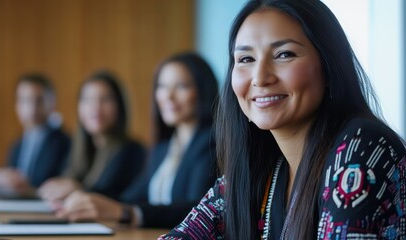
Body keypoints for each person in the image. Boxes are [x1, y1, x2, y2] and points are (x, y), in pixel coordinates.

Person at [160, 0, 406, 239]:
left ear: (329, 65)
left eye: (284, 54)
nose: (260, 77)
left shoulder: (361, 147)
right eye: (246, 59)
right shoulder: (263, 163)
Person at [52, 52, 219, 229]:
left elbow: (198, 210)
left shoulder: (211, 143)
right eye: (162, 86)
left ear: (203, 90)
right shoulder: (164, 148)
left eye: (181, 86)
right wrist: (85, 198)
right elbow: (128, 198)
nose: (168, 96)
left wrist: (126, 213)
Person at [39, 70, 146, 200]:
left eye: (105, 99)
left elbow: (123, 199)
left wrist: (79, 190)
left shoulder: (133, 152)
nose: (96, 108)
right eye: (87, 99)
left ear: (120, 106)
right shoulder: (78, 148)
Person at [0, 74, 71, 192]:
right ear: (17, 105)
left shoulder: (65, 143)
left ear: (52, 103)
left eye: (39, 100)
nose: (32, 108)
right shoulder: (17, 145)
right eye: (26, 100)